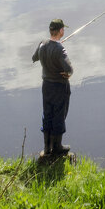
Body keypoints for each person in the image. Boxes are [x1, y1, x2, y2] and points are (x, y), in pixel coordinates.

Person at [32, 19, 73, 156]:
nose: (64, 31)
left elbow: (34, 57)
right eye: (63, 29)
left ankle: (47, 148)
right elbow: (69, 69)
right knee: (59, 115)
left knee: (47, 114)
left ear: (51, 31)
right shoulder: (60, 49)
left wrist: (51, 49)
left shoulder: (43, 43)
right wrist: (68, 74)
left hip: (46, 86)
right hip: (59, 87)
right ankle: (57, 147)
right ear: (61, 31)